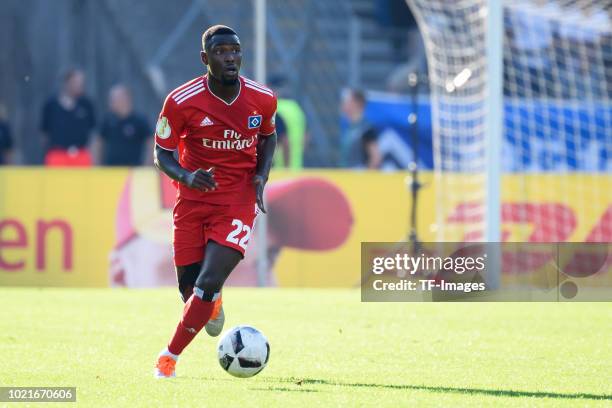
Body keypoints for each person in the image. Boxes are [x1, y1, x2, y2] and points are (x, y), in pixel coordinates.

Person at [152, 25, 277, 378]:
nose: (230, 58)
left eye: (235, 51)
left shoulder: (263, 98)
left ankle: (168, 359)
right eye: (221, 52)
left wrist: (261, 174)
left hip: (237, 201)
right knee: (190, 291)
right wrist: (187, 177)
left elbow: (269, 136)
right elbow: (162, 153)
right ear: (206, 59)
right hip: (192, 201)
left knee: (206, 284)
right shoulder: (181, 100)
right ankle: (212, 301)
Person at [40, 69, 96, 166]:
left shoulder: (86, 104)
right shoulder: (51, 105)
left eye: (81, 82)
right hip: (57, 155)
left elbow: (93, 132)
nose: (80, 85)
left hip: (81, 155)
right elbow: (44, 133)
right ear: (66, 83)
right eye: (76, 82)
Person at [97, 85, 151, 166]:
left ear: (125, 99)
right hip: (111, 170)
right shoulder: (107, 120)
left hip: (133, 170)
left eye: (113, 99)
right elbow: (98, 142)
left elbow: (151, 142)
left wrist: (147, 164)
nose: (110, 103)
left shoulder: (139, 120)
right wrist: (98, 164)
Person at [340, 89, 381, 169]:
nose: (343, 105)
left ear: (357, 103)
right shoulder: (350, 128)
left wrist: (365, 177)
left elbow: (376, 158)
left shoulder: (366, 129)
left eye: (347, 102)